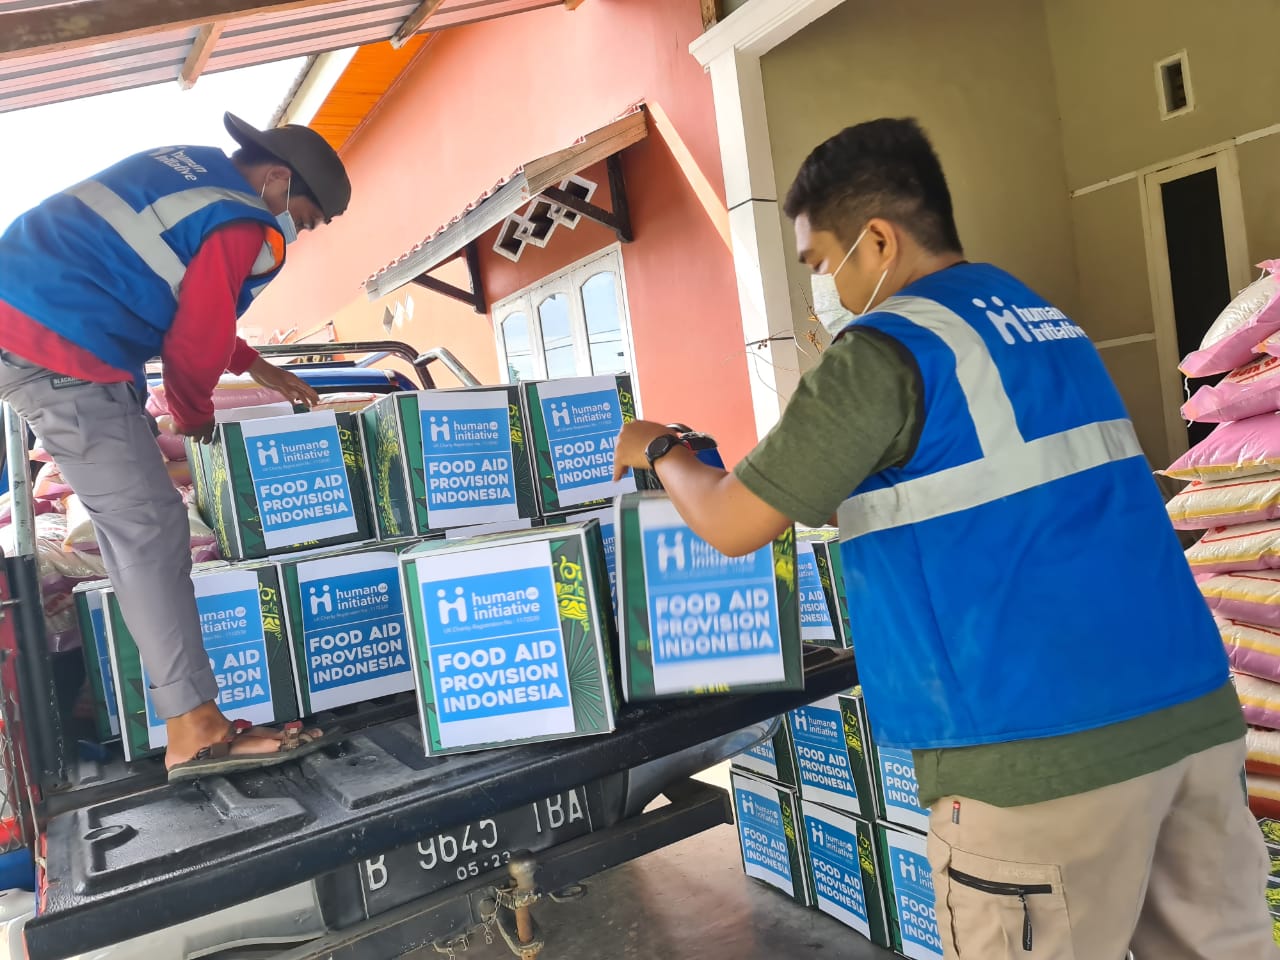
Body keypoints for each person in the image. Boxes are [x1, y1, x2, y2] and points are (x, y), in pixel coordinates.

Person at [613, 118, 1273, 959]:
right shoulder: (1039, 319)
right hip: (1189, 719)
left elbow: (734, 521)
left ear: (877, 238)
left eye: (820, 263)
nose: (828, 290)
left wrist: (660, 449)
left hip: (1037, 757)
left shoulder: (885, 350)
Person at [0, 113, 350, 781]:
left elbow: (181, 292)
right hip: (61, 351)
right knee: (150, 527)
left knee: (143, 524)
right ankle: (196, 727)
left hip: (32, 324)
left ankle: (193, 716)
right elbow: (194, 341)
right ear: (278, 179)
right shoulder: (249, 223)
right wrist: (192, 415)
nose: (293, 232)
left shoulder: (188, 168)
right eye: (302, 217)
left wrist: (256, 365)